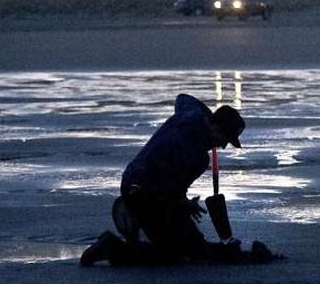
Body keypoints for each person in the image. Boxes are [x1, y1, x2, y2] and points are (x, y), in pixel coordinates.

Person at [80, 94, 275, 265]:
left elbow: (184, 98)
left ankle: (140, 220)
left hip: (138, 181)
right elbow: (161, 187)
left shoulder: (191, 113)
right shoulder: (195, 155)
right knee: (173, 255)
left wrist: (205, 115)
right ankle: (111, 246)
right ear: (214, 125)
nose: (223, 146)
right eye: (224, 138)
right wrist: (183, 204)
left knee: (194, 246)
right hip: (142, 192)